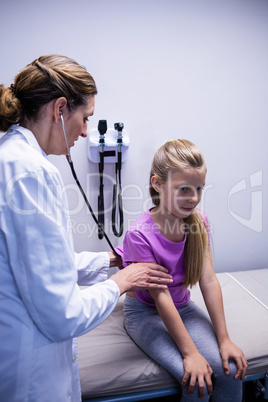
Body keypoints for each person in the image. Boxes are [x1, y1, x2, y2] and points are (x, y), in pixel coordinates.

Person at [0, 54, 173, 402]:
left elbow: (39, 266)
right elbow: (63, 314)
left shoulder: (11, 158)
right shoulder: (32, 173)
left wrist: (109, 259)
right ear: (60, 108)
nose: (84, 131)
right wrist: (123, 281)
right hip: (31, 376)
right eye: (85, 118)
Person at [116, 139, 248, 401]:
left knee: (230, 371)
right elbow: (160, 296)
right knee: (197, 380)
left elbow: (208, 280)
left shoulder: (199, 222)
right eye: (184, 189)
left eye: (199, 188)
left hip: (184, 307)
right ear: (157, 184)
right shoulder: (139, 234)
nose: (194, 198)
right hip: (145, 313)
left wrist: (224, 339)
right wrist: (190, 354)